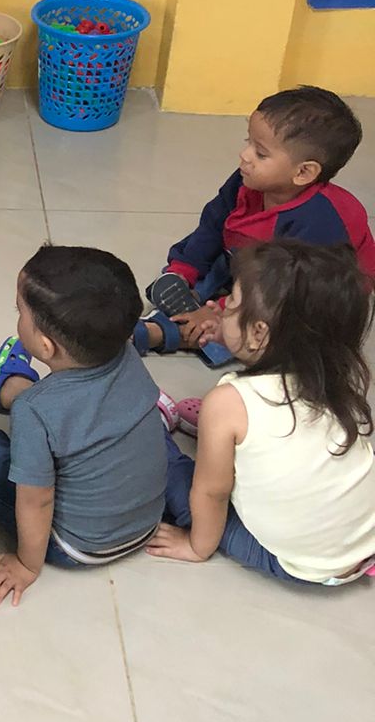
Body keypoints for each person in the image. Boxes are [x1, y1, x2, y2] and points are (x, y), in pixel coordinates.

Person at [0, 246, 168, 606]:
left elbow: (37, 500)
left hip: (74, 546)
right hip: (146, 524)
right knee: (56, 414)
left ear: (45, 346)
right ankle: (11, 387)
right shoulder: (126, 354)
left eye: (19, 311)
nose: (17, 318)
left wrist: (26, 565)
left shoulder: (35, 412)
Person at [148, 240, 375, 583]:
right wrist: (230, 335)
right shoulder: (337, 378)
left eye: (230, 303)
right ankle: (230, 440)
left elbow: (212, 493)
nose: (216, 308)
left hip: (297, 563)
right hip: (362, 540)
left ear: (258, 334)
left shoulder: (227, 403)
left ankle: (162, 424)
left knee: (169, 467)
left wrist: (197, 546)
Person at [137, 86, 375, 355]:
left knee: (271, 330)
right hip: (252, 262)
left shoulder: (320, 222)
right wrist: (186, 268)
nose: (245, 155)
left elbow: (285, 289)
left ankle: (176, 333)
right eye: (247, 141)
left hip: (305, 291)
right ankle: (192, 298)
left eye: (260, 153)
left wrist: (223, 310)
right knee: (211, 256)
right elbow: (213, 224)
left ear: (303, 172)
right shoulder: (248, 180)